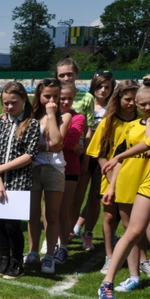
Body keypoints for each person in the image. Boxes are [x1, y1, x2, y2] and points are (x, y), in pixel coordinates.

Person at [97, 78, 150, 299]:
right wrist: (119, 158)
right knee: (133, 231)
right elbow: (149, 145)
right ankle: (107, 283)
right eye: (144, 104)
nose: (147, 107)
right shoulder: (137, 125)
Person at [85, 80, 142, 275]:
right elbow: (99, 154)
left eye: (135, 99)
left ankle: (140, 258)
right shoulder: (108, 123)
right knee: (109, 216)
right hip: (109, 177)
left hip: (135, 177)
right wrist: (112, 179)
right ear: (118, 99)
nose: (132, 103)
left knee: (133, 220)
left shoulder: (142, 121)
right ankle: (109, 256)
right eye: (128, 99)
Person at [0, 82, 41, 280]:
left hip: (19, 183)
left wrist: (2, 168)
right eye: (6, 103)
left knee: (12, 225)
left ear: (23, 100)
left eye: (13, 103)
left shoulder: (32, 124)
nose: (9, 106)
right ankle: (4, 259)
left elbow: (30, 154)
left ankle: (17, 261)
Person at [24, 78, 71, 275]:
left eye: (55, 97)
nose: (52, 101)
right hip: (32, 167)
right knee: (32, 214)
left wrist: (51, 115)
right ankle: (33, 252)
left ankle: (50, 255)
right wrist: (45, 146)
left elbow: (57, 143)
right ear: (39, 96)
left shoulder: (64, 116)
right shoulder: (31, 115)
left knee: (52, 215)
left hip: (54, 168)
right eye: (47, 96)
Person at [74, 71, 115, 251]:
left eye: (107, 87)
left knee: (95, 198)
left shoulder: (113, 107)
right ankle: (69, 230)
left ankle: (88, 233)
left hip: (103, 157)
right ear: (93, 86)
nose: (103, 90)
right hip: (84, 155)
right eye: (100, 86)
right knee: (77, 196)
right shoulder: (86, 101)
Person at [55, 82, 86, 266]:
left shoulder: (78, 118)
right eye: (62, 98)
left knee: (63, 210)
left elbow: (66, 144)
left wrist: (53, 144)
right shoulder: (49, 116)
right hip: (50, 167)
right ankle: (51, 242)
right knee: (49, 210)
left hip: (69, 169)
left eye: (69, 98)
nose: (65, 102)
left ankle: (63, 247)